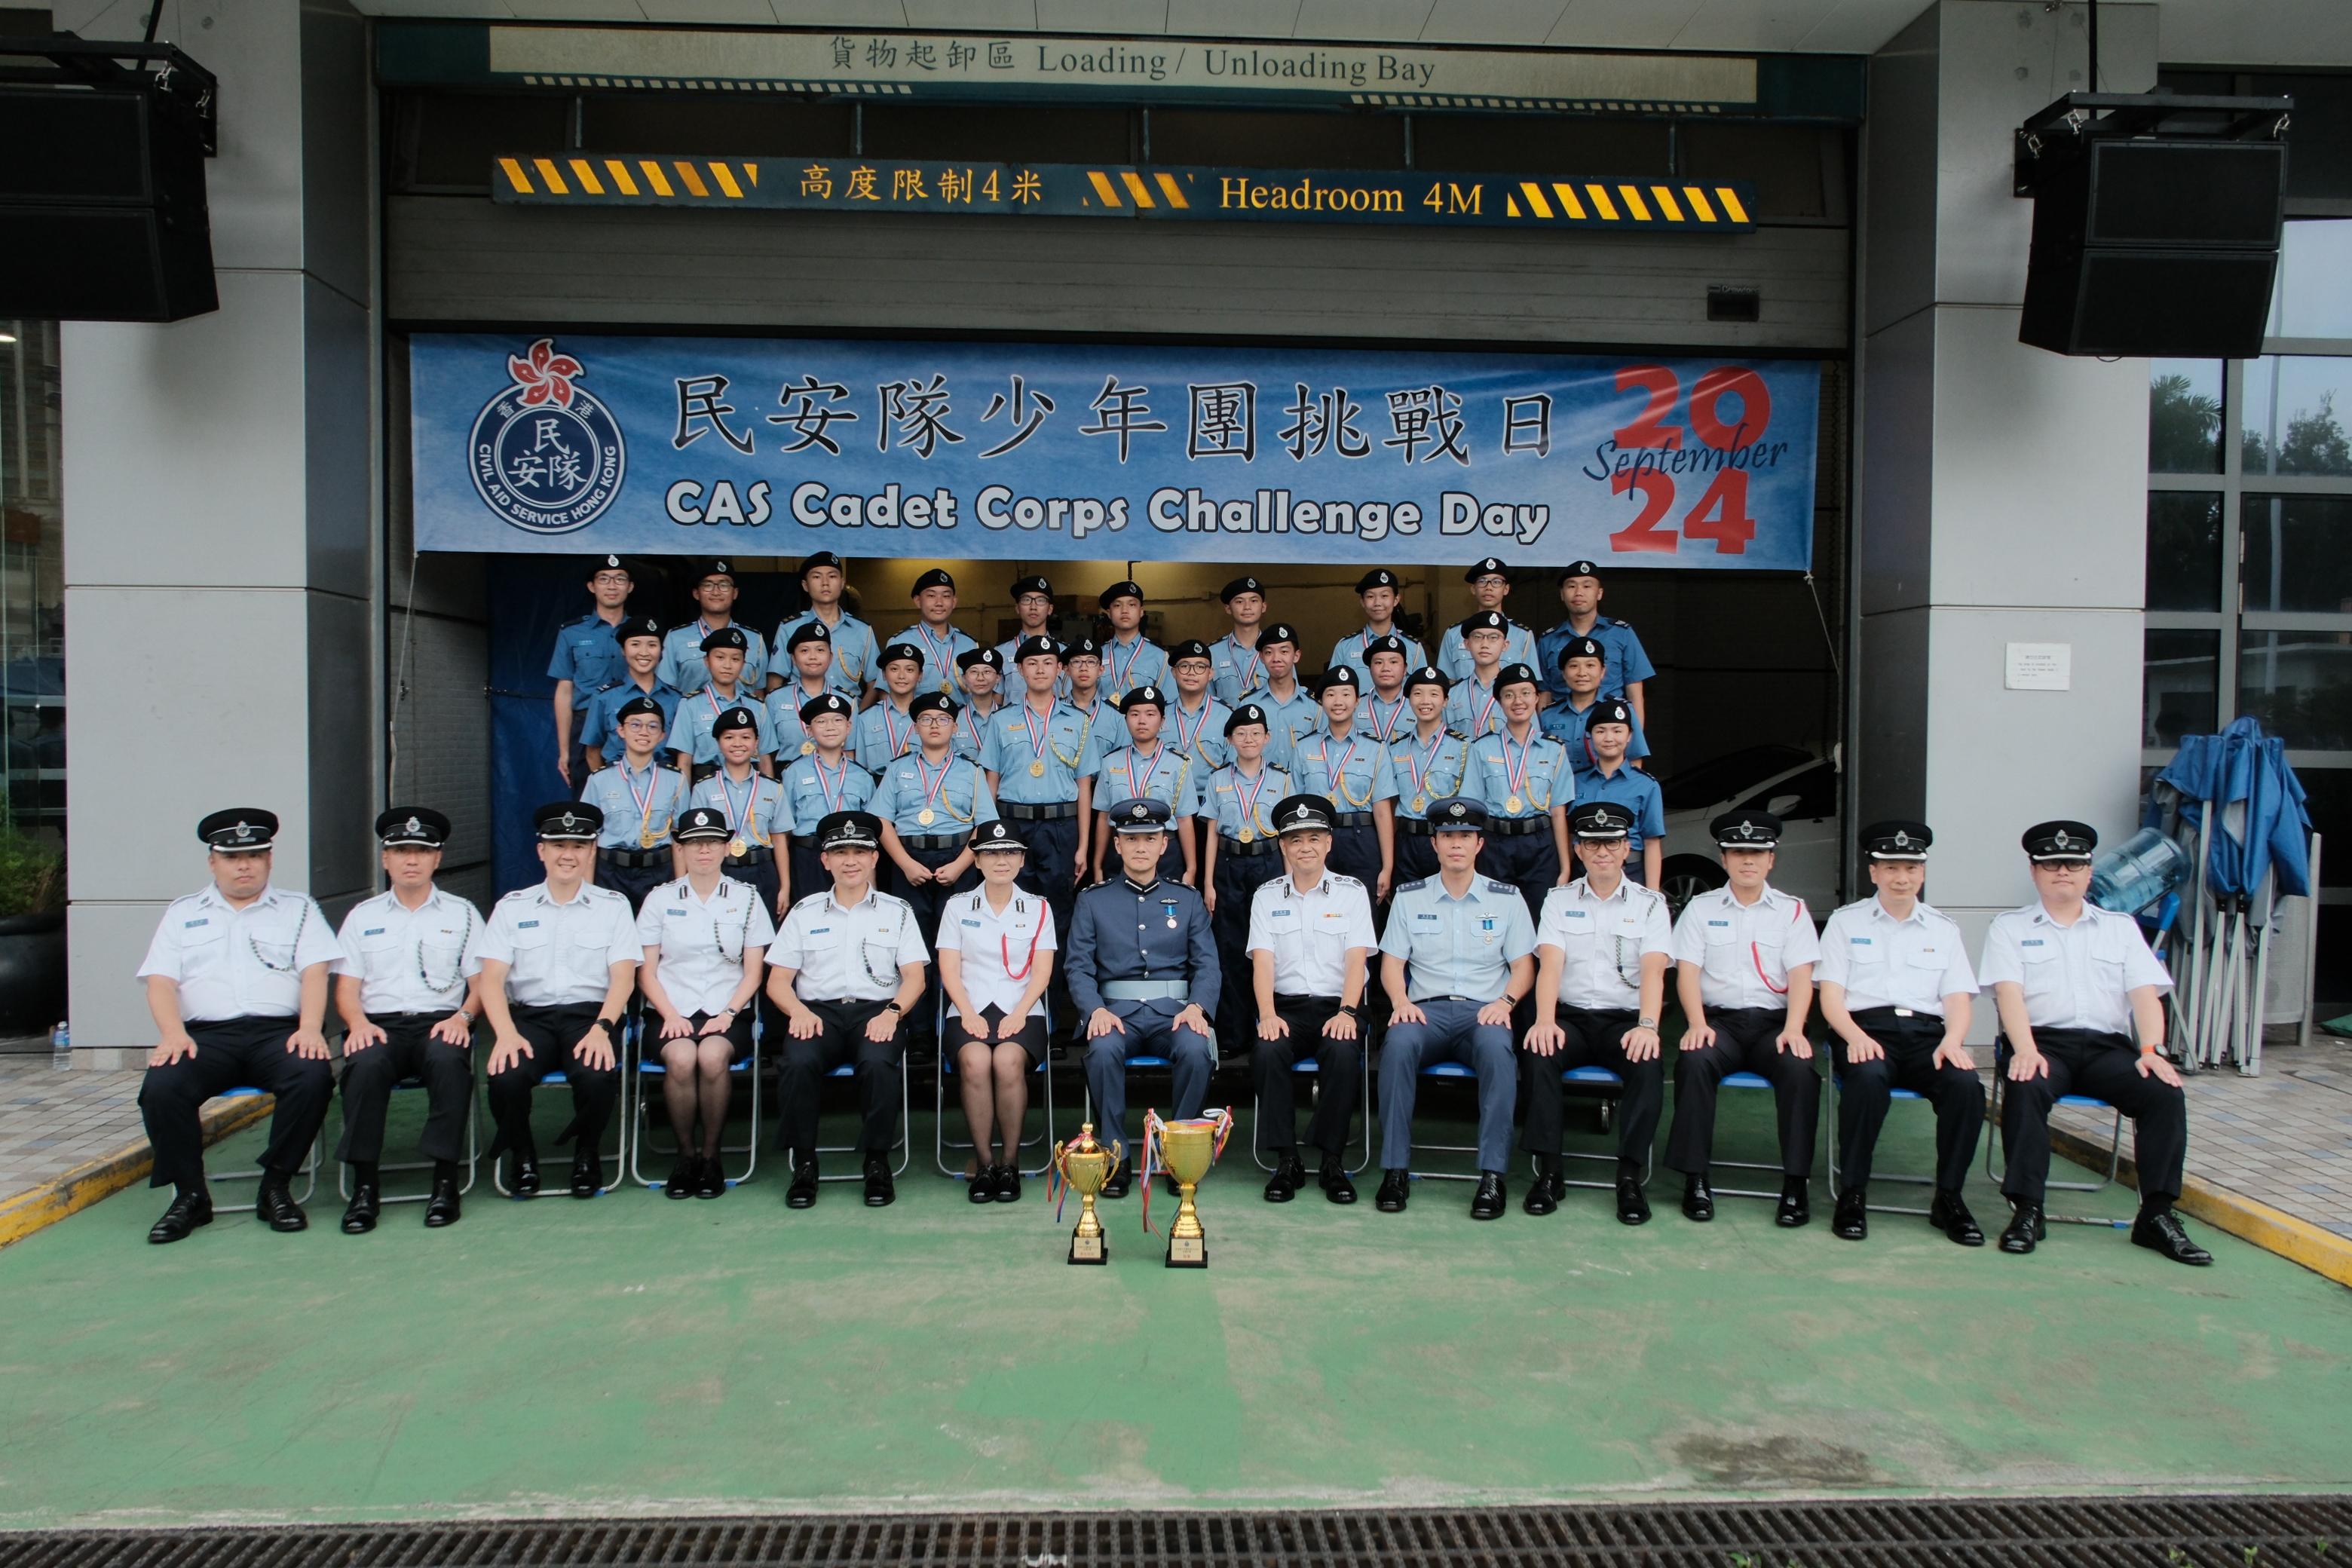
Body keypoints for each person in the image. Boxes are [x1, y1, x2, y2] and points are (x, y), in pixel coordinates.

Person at [1979, 819, 2210, 1265]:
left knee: (2164, 1092)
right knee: (2026, 1087)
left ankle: (2157, 1215)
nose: (2062, 871)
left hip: (2108, 1048)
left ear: (2089, 872)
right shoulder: (2009, 927)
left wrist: (2151, 1051)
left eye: (2073, 864)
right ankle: (2028, 1209)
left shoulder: (2120, 928)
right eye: (2050, 865)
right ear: (2034, 873)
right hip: (2042, 1043)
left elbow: (2144, 995)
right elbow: (2009, 994)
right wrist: (2023, 1048)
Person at [136, 809, 341, 1243]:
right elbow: (159, 983)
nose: (244, 865)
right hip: (206, 1038)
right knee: (161, 1088)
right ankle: (190, 1196)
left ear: (270, 859)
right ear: (213, 863)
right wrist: (173, 1033)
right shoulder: (183, 913)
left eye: (254, 855)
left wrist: (310, 1028)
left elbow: (315, 973)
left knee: (312, 1076)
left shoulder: (298, 909)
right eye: (232, 857)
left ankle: (276, 1186)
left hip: (279, 1033)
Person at [1815, 820, 1986, 1245]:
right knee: (1868, 1079)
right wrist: (1853, 1036)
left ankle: (1949, 1197)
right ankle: (1852, 1194)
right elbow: (1831, 998)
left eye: (1911, 868)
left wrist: (1953, 1040)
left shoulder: (1943, 929)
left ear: (1923, 873)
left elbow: (1958, 1000)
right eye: (1891, 867)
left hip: (1929, 1037)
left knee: (1966, 1086)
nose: (1902, 877)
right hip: (1864, 1029)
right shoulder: (1844, 922)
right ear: (1873, 872)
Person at [1373, 798, 1533, 1220]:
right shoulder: (1410, 898)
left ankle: (1492, 1176)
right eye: (1448, 837)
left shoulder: (1508, 899)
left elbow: (1524, 966)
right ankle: (1395, 1170)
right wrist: (1400, 1002)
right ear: (1434, 844)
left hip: (1485, 1013)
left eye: (1465, 837)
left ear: (1480, 844)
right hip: (1424, 1012)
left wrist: (1506, 1002)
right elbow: (1391, 963)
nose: (1456, 844)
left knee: (1500, 1054)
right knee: (1397, 1046)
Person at [1664, 810, 1821, 1227]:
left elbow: (1802, 976)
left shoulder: (1791, 911)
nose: (1747, 860)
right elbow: (1688, 973)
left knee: (1801, 1071)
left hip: (1775, 1025)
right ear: (1724, 857)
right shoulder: (1701, 908)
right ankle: (1695, 1180)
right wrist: (1696, 1024)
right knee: (1695, 1062)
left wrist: (1795, 1028)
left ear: (1772, 860)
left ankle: (1795, 1185)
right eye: (1737, 852)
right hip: (1720, 1024)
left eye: (1757, 853)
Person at [767, 810, 929, 1208]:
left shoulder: (898, 911)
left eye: (860, 851)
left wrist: (892, 1013)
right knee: (798, 1063)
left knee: (878, 1064)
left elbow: (915, 978)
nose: (850, 860)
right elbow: (776, 982)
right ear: (825, 860)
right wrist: (798, 1012)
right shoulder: (804, 913)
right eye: (840, 852)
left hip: (876, 1012)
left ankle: (877, 1162)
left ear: (876, 858)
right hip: (817, 1013)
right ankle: (804, 1164)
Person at [476, 802, 638, 1200]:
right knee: (506, 1076)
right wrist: (505, 1034)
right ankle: (523, 1156)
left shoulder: (613, 907)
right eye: (558, 845)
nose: (569, 854)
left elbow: (623, 977)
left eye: (579, 846)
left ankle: (587, 1155)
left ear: (591, 852)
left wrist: (604, 1028)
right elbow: (491, 979)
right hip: (528, 1019)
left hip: (590, 1016)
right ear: (541, 851)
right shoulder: (511, 908)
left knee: (597, 1076)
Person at [331, 807, 480, 1234]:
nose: (410, 859)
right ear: (385, 859)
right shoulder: (363, 916)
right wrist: (357, 1024)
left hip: (441, 1021)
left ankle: (445, 1181)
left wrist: (464, 1017)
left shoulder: (463, 913)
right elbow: (346, 989)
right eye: (400, 851)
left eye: (421, 851)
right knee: (363, 1066)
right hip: (377, 1023)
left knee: (449, 1063)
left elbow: (481, 980)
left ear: (438, 859)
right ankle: (364, 1188)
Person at [1523, 801, 1671, 1224]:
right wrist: (1545, 1019)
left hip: (1624, 1021)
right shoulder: (1558, 900)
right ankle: (1550, 1173)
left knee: (1647, 1063)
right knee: (1538, 1053)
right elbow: (1550, 964)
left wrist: (1648, 1025)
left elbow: (1654, 970)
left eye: (1611, 843)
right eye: (1592, 843)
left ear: (1627, 849)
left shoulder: (1650, 904)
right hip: (1569, 1017)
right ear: (1578, 850)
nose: (1602, 851)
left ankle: (1629, 1177)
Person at [1065, 798, 1219, 1197]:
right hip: (1115, 1013)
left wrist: (1197, 1008)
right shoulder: (1093, 900)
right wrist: (1094, 1009)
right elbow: (1078, 967)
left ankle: (1178, 1155)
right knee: (1101, 1051)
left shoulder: (1186, 900)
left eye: (1150, 839)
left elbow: (1207, 965)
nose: (1140, 847)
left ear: (1164, 845)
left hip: (1176, 1013)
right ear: (1117, 845)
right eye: (1131, 839)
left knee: (1196, 1050)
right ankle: (1115, 1155)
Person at [634, 806, 773, 1200]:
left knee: (711, 1057)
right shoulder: (659, 900)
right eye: (694, 844)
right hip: (669, 1012)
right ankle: (685, 1156)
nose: (703, 851)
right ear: (680, 849)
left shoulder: (747, 899)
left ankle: (711, 1156)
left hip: (728, 1014)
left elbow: (753, 972)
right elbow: (646, 970)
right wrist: (670, 1015)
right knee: (680, 1058)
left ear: (727, 848)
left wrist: (729, 1014)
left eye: (711, 842)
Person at [1248, 795, 1374, 1205]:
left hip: (1339, 1003)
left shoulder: (1351, 893)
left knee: (1341, 1051)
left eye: (1315, 838)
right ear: (1283, 846)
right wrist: (1266, 1014)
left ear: (1329, 843)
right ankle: (1287, 1160)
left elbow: (1358, 961)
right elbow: (1263, 964)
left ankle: (1333, 1161)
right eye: (1296, 839)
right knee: (1268, 1051)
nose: (1306, 847)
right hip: (1285, 1006)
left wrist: (1348, 1011)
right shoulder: (1266, 896)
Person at [936, 818, 1056, 1203]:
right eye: (990, 853)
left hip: (1022, 1010)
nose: (1000, 860)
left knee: (1006, 1061)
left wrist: (1021, 1012)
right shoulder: (957, 907)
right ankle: (985, 1164)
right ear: (976, 861)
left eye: (1008, 853)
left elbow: (1042, 971)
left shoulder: (1038, 908)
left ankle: (1010, 1162)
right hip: (967, 1008)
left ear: (1021, 860)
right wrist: (967, 1012)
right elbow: (949, 969)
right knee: (973, 1061)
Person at [874, 691, 996, 1044]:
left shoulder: (971, 772)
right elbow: (882, 821)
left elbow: (984, 826)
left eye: (943, 719)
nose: (934, 725)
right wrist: (905, 863)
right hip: (909, 861)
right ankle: (920, 1031)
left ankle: (954, 1028)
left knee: (957, 948)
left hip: (958, 859)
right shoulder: (898, 770)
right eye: (926, 719)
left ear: (955, 727)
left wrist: (960, 865)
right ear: (915, 728)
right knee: (913, 949)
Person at [981, 635, 1093, 948]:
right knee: (1009, 905)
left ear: (1060, 669)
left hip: (1060, 827)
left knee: (1057, 911)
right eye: (1032, 663)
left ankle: (1053, 994)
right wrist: (989, 834)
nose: (1040, 670)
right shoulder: (1002, 721)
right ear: (1019, 670)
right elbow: (992, 780)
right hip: (1012, 824)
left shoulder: (1079, 723)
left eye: (1047, 663)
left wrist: (1083, 845)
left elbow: (1084, 786)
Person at [1199, 703, 1294, 1049]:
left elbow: (1287, 836)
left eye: (1256, 733)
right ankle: (1234, 1034)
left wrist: (1290, 882)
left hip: (1268, 864)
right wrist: (1208, 883)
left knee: (1270, 948)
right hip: (1228, 867)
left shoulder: (1282, 779)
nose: (1249, 739)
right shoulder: (1218, 779)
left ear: (1267, 738)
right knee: (1231, 948)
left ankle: (1269, 1026)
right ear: (1230, 739)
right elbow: (1211, 833)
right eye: (1241, 733)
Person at [1464, 663, 1574, 920]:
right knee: (1493, 918)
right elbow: (1474, 810)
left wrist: (1565, 866)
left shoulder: (1554, 750)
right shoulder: (1482, 749)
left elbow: (1559, 813)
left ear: (1537, 698)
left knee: (1540, 919)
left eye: (1525, 693)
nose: (1518, 701)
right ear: (1499, 702)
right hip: (1494, 843)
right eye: (1509, 695)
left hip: (1540, 845)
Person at [1290, 666, 1397, 899]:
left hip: (1362, 839)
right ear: (1321, 701)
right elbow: (1295, 805)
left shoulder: (1376, 749)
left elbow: (1382, 811)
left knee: (1365, 914)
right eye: (1330, 694)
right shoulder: (1304, 747)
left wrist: (1387, 867)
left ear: (1358, 700)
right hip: (1316, 837)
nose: (1338, 701)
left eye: (1346, 694)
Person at [578, 696, 689, 912]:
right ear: (621, 730)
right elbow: (589, 839)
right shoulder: (599, 780)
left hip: (659, 872)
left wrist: (682, 886)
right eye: (635, 725)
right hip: (611, 873)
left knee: (658, 942)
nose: (644, 732)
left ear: (662, 736)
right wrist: (587, 889)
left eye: (652, 726)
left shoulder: (676, 780)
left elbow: (679, 839)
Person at [1085, 684, 1202, 886]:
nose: (1142, 721)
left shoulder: (1178, 764)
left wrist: (1191, 869)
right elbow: (1104, 817)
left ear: (1162, 720)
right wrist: (1097, 864)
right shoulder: (1111, 762)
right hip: (1120, 848)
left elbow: (1184, 820)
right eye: (1134, 714)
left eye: (1150, 714)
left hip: (1165, 851)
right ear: (1126, 719)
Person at [687, 706, 792, 920]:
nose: (737, 744)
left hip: (763, 870)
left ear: (756, 743)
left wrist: (785, 886)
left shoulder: (772, 788)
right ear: (718, 742)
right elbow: (695, 843)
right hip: (720, 871)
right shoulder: (703, 789)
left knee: (764, 940)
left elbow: (780, 840)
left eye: (746, 737)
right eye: (729, 737)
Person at [779, 692, 876, 921]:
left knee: (855, 916)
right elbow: (783, 832)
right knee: (812, 920)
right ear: (809, 731)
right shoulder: (793, 773)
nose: (830, 727)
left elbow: (872, 834)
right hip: (809, 857)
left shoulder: (862, 776)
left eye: (837, 720)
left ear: (849, 727)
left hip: (851, 856)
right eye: (821, 722)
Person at [550, 553, 633, 787]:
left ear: (630, 587)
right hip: (586, 726)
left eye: (619, 579)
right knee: (587, 804)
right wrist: (565, 750)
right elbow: (564, 691)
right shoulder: (571, 633)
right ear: (592, 586)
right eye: (604, 579)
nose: (612, 586)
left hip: (633, 724)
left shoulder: (642, 634)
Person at [1538, 560, 1654, 724]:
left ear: (1599, 593)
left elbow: (1635, 692)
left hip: (1609, 729)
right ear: (1562, 594)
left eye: (1587, 586)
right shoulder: (1548, 640)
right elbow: (1545, 694)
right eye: (1571, 586)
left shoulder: (1621, 634)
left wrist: (1634, 741)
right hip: (1561, 729)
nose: (1579, 592)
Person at [1387, 666, 1472, 886]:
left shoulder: (1464, 746)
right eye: (1418, 693)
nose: (1425, 701)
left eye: (1434, 694)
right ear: (1408, 700)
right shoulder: (1395, 749)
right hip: (1405, 841)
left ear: (1445, 701)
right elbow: (1389, 803)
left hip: (1446, 837)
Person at [1570, 701, 1663, 888]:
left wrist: (1654, 894)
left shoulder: (1646, 785)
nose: (1609, 737)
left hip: (1631, 871)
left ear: (1629, 736)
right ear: (1589, 736)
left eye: (1617, 731)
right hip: (1583, 870)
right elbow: (1567, 835)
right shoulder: (1574, 781)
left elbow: (1652, 843)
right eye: (1601, 731)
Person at [670, 627, 775, 782]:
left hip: (749, 784)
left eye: (735, 659)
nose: (727, 665)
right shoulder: (689, 705)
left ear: (743, 663)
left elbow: (765, 761)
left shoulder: (758, 707)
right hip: (705, 785)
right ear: (707, 661)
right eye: (720, 657)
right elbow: (684, 761)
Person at [578, 614, 680, 774]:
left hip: (664, 782)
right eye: (635, 644)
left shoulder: (675, 698)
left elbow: (682, 753)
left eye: (652, 645)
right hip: (617, 781)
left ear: (661, 651)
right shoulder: (604, 697)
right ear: (623, 651)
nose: (644, 652)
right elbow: (592, 751)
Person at [659, 558, 771, 697]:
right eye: (708, 585)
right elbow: (665, 692)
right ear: (696, 593)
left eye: (724, 585)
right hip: (691, 718)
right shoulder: (675, 638)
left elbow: (759, 694)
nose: (716, 592)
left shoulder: (755, 640)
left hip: (741, 717)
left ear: (735, 593)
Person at [773, 550, 877, 702]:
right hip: (800, 718)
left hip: (848, 719)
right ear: (805, 585)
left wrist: (857, 717)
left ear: (842, 583)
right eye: (816, 577)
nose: (825, 583)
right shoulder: (789, 628)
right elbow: (775, 681)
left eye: (832, 576)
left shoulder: (862, 630)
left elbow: (875, 684)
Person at [1541, 635, 1652, 770]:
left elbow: (1634, 760)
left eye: (1590, 665)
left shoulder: (1623, 711)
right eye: (1574, 666)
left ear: (1602, 671)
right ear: (1564, 673)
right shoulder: (1548, 715)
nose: (1582, 673)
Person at [1436, 557, 1537, 681]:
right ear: (1473, 589)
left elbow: (1531, 684)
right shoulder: (1454, 633)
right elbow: (1446, 682)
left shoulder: (1523, 636)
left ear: (1506, 589)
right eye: (1482, 581)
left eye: (1496, 582)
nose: (1489, 587)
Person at [1328, 568, 1429, 684]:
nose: (1377, 603)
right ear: (1362, 602)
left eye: (1384, 596)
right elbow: (1333, 690)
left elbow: (1423, 692)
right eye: (1370, 597)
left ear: (1396, 600)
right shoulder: (1345, 647)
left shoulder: (1414, 648)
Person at [892, 567, 978, 698]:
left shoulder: (969, 644)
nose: (939, 603)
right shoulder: (900, 642)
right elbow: (885, 693)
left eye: (946, 596)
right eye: (931, 596)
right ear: (918, 601)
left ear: (954, 602)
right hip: (918, 718)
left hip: (961, 717)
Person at [764, 621, 839, 764]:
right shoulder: (775, 699)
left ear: (830, 657)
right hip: (785, 776)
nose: (813, 656)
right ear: (793, 658)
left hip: (834, 778)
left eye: (820, 650)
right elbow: (766, 753)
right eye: (804, 651)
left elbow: (850, 753)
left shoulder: (846, 700)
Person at [1251, 622, 1320, 776]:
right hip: (1261, 793)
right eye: (1269, 652)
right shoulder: (1249, 704)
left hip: (1303, 792)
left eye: (1284, 651)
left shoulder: (1315, 706)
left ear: (1296, 656)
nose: (1276, 658)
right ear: (1261, 657)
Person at [1165, 639, 1235, 779]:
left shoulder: (1226, 716)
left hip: (1210, 797)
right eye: (1184, 666)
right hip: (1166, 796)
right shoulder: (1159, 714)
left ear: (1210, 674)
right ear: (1174, 672)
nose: (1192, 673)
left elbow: (1234, 766)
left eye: (1200, 667)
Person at [853, 640, 926, 771]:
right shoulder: (866, 718)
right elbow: (860, 769)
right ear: (884, 675)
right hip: (877, 787)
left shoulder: (930, 717)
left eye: (909, 670)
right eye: (894, 669)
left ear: (920, 675)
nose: (901, 676)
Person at [1443, 610, 1511, 740]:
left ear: (1505, 645)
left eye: (1493, 638)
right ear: (1467, 644)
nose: (1485, 644)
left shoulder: (1516, 694)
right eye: (1478, 637)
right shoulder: (1451, 695)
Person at [1096, 579, 1170, 701]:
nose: (1124, 610)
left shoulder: (1160, 657)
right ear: (1109, 613)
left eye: (1132, 605)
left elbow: (1168, 705)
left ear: (1141, 612)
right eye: (1117, 605)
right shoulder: (1096, 655)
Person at [1211, 575, 1270, 706]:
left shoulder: (1279, 651)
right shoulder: (1212, 653)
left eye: (1254, 601)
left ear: (1264, 607)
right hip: (1225, 725)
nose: (1247, 607)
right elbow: (1206, 702)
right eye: (1239, 602)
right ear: (1228, 608)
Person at [993, 574, 1060, 671]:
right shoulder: (1001, 652)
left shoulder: (1064, 652)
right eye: (1026, 600)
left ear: (1050, 609)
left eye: (1041, 600)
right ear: (1017, 608)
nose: (1033, 607)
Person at [1358, 634, 1415, 746]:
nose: (1386, 668)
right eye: (1378, 663)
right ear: (1370, 669)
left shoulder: (1419, 707)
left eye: (1393, 662)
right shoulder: (1355, 707)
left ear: (1405, 669)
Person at [954, 646, 1007, 762]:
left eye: (987, 672)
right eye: (974, 672)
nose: (980, 678)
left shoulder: (1010, 718)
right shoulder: (953, 719)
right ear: (964, 678)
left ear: (998, 678)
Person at [1061, 635, 1114, 751]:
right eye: (1076, 662)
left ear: (1101, 670)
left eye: (1091, 662)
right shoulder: (1055, 711)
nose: (1084, 668)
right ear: (1066, 670)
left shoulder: (1116, 716)